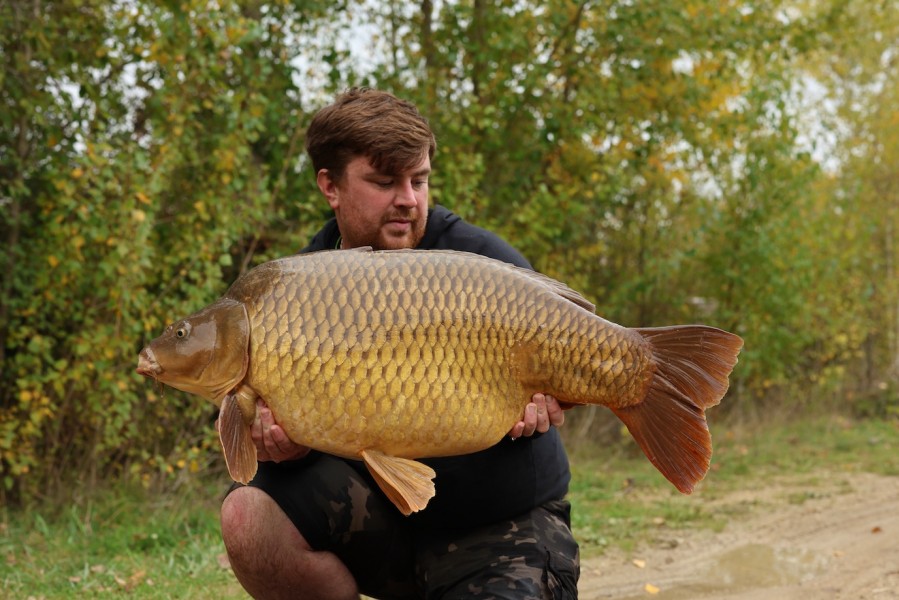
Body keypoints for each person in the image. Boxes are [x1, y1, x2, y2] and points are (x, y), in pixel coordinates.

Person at [219, 88, 580, 599]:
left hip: (500, 524)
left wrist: (551, 402)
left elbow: (564, 373)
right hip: (385, 526)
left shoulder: (482, 261)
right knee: (248, 513)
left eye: (419, 180)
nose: (409, 199)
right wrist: (288, 447)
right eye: (385, 182)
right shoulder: (294, 289)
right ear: (330, 186)